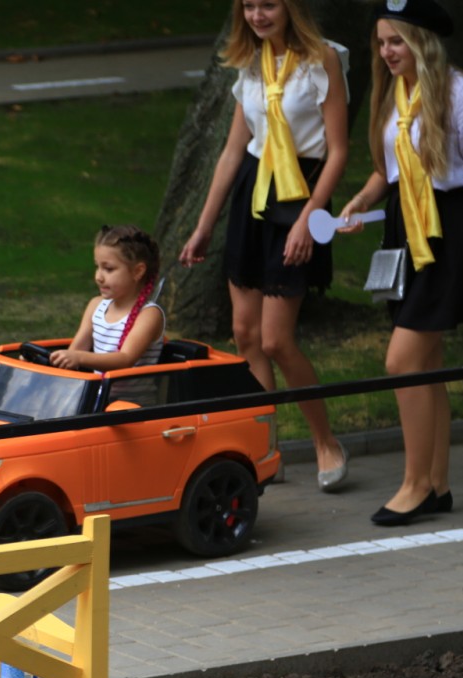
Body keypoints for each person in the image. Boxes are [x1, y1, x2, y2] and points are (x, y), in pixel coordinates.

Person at [337, 0, 463, 526]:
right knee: (426, 364)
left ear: (423, 42)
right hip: (405, 230)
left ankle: (414, 485)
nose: (387, 52)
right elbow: (390, 169)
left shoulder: (462, 94)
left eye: (397, 41)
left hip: (448, 233)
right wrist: (360, 201)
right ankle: (437, 485)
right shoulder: (397, 91)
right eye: (381, 42)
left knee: (402, 361)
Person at [178, 0, 350, 492]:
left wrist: (309, 218)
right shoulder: (251, 64)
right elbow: (234, 150)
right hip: (253, 195)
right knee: (246, 335)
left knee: (277, 340)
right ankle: (265, 449)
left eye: (268, 4)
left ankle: (326, 442)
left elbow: (339, 151)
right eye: (249, 5)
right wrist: (203, 226)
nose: (258, 15)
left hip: (300, 194)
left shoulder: (322, 60)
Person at [50, 225, 166, 372]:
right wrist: (49, 360)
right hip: (95, 387)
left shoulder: (149, 314)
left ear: (137, 271)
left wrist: (79, 357)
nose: (98, 277)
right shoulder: (96, 305)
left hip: (127, 389)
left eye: (108, 269)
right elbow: (75, 350)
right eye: (97, 267)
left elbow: (126, 358)